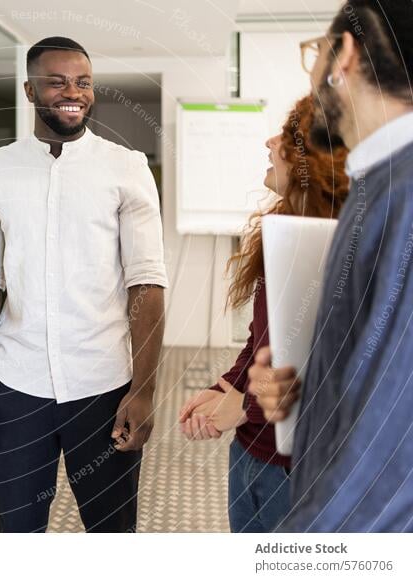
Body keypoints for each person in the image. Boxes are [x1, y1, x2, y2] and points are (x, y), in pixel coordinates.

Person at [0, 37, 167, 533]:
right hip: (15, 385)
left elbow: (147, 284)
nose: (72, 92)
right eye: (56, 82)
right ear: (30, 90)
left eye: (83, 82)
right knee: (17, 530)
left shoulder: (126, 168)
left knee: (112, 531)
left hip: (103, 384)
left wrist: (144, 390)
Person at [248, 0, 413, 531]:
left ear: (343, 55)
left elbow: (383, 453)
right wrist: (306, 391)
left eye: (315, 53)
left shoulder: (403, 195)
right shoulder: (380, 187)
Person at [178, 94, 349, 532]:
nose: (270, 142)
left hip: (297, 472)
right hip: (250, 456)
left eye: (288, 136)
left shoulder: (349, 251)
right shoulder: (287, 231)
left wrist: (242, 407)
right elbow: (262, 341)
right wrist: (225, 386)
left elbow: (333, 374)